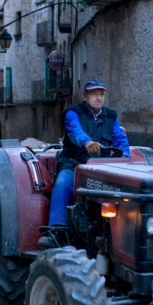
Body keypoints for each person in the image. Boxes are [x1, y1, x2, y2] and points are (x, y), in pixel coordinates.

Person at [39, 78, 130, 249]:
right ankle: (56, 230)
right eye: (94, 94)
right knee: (63, 183)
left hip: (102, 166)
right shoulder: (73, 113)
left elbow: (120, 140)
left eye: (101, 94)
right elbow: (75, 131)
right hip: (74, 164)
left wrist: (124, 157)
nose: (98, 97)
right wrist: (87, 143)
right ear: (85, 96)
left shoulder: (111, 116)